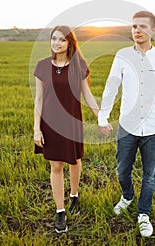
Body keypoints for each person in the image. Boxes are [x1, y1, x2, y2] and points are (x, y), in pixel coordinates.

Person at [98, 11, 155, 237]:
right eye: (134, 26)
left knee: (150, 175)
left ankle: (144, 213)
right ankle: (127, 195)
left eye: (142, 26)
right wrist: (103, 117)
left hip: (154, 126)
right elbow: (111, 87)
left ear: (153, 30)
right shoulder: (123, 56)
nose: (137, 30)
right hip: (127, 126)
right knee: (121, 169)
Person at [33, 25, 99, 234]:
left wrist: (101, 117)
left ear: (70, 42)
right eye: (54, 39)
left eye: (62, 39)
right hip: (50, 124)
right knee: (56, 166)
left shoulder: (78, 65)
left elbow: (86, 94)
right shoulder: (42, 66)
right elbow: (39, 99)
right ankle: (60, 211)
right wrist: (37, 129)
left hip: (71, 123)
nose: (57, 43)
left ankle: (74, 195)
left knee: (74, 160)